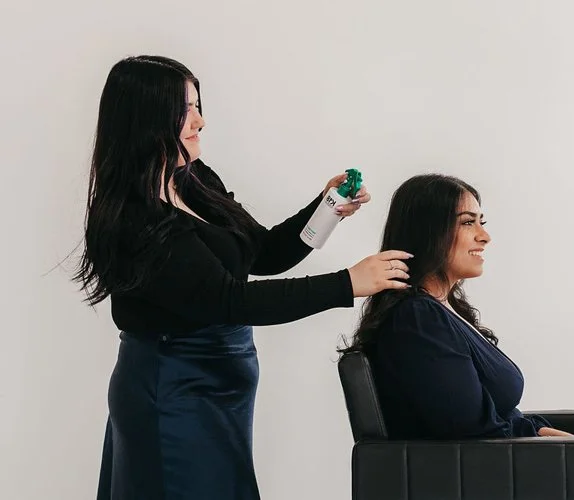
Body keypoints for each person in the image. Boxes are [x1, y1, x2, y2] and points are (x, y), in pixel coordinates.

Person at [73, 55, 412, 500]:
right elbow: (230, 301)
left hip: (223, 388)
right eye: (186, 110)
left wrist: (328, 208)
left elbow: (263, 253)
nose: (201, 121)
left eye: (198, 105)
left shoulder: (196, 180)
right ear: (146, 118)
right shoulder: (133, 220)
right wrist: (346, 283)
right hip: (171, 390)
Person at [340, 173, 574, 499]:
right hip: (491, 473)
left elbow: (490, 420)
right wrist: (570, 448)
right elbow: (474, 431)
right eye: (468, 223)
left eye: (482, 222)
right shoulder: (417, 319)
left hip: (510, 461)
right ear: (429, 232)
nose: (484, 235)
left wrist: (568, 440)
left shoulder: (441, 310)